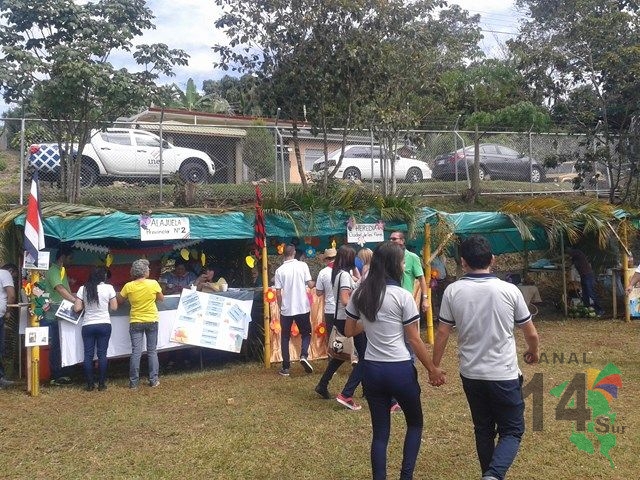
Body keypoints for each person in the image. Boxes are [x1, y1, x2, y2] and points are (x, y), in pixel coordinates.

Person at [433, 235, 540, 480]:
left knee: (483, 429)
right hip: (503, 374)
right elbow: (531, 333)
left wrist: (434, 366)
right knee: (512, 430)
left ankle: (488, 475)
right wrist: (533, 351)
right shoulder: (509, 290)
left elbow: (442, 332)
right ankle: (493, 475)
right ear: (492, 259)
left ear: (462, 262)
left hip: (471, 374)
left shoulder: (452, 291)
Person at [345, 242, 445, 480]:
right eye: (402, 262)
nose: (403, 265)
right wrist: (432, 369)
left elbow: (349, 330)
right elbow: (414, 339)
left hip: (372, 370)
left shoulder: (360, 293)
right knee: (415, 424)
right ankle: (405, 476)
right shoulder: (402, 296)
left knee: (380, 433)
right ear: (394, 265)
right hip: (400, 369)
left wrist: (370, 323)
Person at [315, 246, 366, 409]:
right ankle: (347, 393)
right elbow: (345, 300)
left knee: (339, 355)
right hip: (348, 319)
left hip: (341, 318)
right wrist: (359, 306)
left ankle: (323, 384)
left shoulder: (339, 274)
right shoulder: (344, 275)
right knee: (365, 357)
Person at [117, 259, 164, 389]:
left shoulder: (128, 286)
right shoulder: (153, 283)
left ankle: (133, 383)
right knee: (152, 351)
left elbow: (119, 300)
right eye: (148, 269)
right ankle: (153, 380)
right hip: (151, 319)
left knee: (136, 352)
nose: (149, 270)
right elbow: (161, 298)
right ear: (144, 271)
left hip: (136, 321)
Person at [73, 266, 118, 391]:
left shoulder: (83, 288)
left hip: (88, 324)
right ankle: (102, 384)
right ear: (103, 276)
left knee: (88, 355)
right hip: (104, 324)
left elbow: (77, 308)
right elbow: (114, 307)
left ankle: (90, 384)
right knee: (102, 354)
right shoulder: (109, 288)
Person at [273, 244, 315, 376]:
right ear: (294, 252)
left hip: (287, 308)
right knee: (306, 333)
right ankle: (303, 355)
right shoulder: (303, 266)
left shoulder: (279, 270)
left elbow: (278, 293)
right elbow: (310, 284)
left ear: (283, 253)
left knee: (285, 337)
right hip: (302, 306)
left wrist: (280, 306)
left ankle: (285, 367)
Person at [41, 246, 77, 385]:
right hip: (53, 315)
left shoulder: (61, 271)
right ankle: (56, 375)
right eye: (70, 258)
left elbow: (65, 289)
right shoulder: (54, 270)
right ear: (62, 257)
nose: (72, 261)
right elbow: (60, 288)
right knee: (56, 345)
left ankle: (62, 373)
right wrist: (74, 300)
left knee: (61, 343)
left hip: (61, 313)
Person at [389, 231, 430, 312]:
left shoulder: (412, 257)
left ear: (402, 241)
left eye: (394, 239)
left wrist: (425, 299)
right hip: (390, 299)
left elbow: (421, 279)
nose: (391, 241)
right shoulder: (389, 257)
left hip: (406, 299)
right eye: (390, 239)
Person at [567, 247, 604, 316]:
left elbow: (569, 256)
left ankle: (600, 309)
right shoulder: (574, 258)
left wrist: (566, 255)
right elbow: (569, 264)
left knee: (591, 292)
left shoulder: (577, 252)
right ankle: (587, 308)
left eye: (568, 253)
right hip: (583, 276)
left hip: (588, 275)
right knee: (585, 294)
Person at [0, 263, 18, 388]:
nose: (14, 280)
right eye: (14, 277)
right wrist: (8, 311)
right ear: (10, 271)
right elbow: (11, 295)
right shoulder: (5, 273)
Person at [314, 247, 337, 341]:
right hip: (343, 309)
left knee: (331, 337)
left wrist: (326, 289)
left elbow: (318, 292)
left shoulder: (323, 272)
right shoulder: (345, 270)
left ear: (326, 259)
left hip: (330, 309)